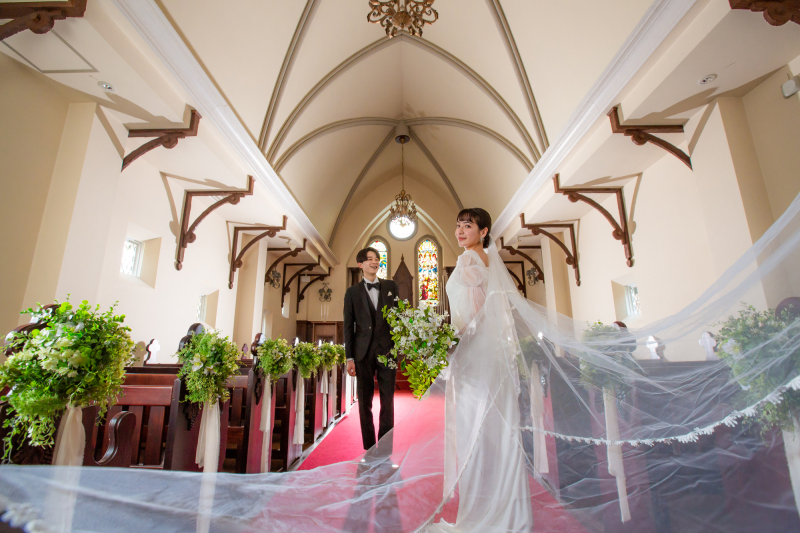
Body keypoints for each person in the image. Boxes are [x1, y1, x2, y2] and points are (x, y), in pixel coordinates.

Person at [426, 207, 534, 532]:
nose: (460, 231)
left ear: (483, 231)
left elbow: (471, 315)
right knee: (498, 430)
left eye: (468, 226)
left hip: (476, 354)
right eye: (458, 225)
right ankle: (506, 507)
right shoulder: (488, 260)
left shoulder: (469, 261)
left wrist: (444, 337)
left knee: (475, 431)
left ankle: (483, 510)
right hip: (493, 353)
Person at [343, 246, 400, 450]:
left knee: (388, 401)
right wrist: (349, 357)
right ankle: (369, 446)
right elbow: (348, 327)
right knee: (365, 402)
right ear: (361, 264)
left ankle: (385, 447)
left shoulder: (391, 286)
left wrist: (400, 344)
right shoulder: (352, 293)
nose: (375, 262)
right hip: (362, 353)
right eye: (370, 259)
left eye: (377, 259)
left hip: (388, 350)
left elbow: (399, 317)